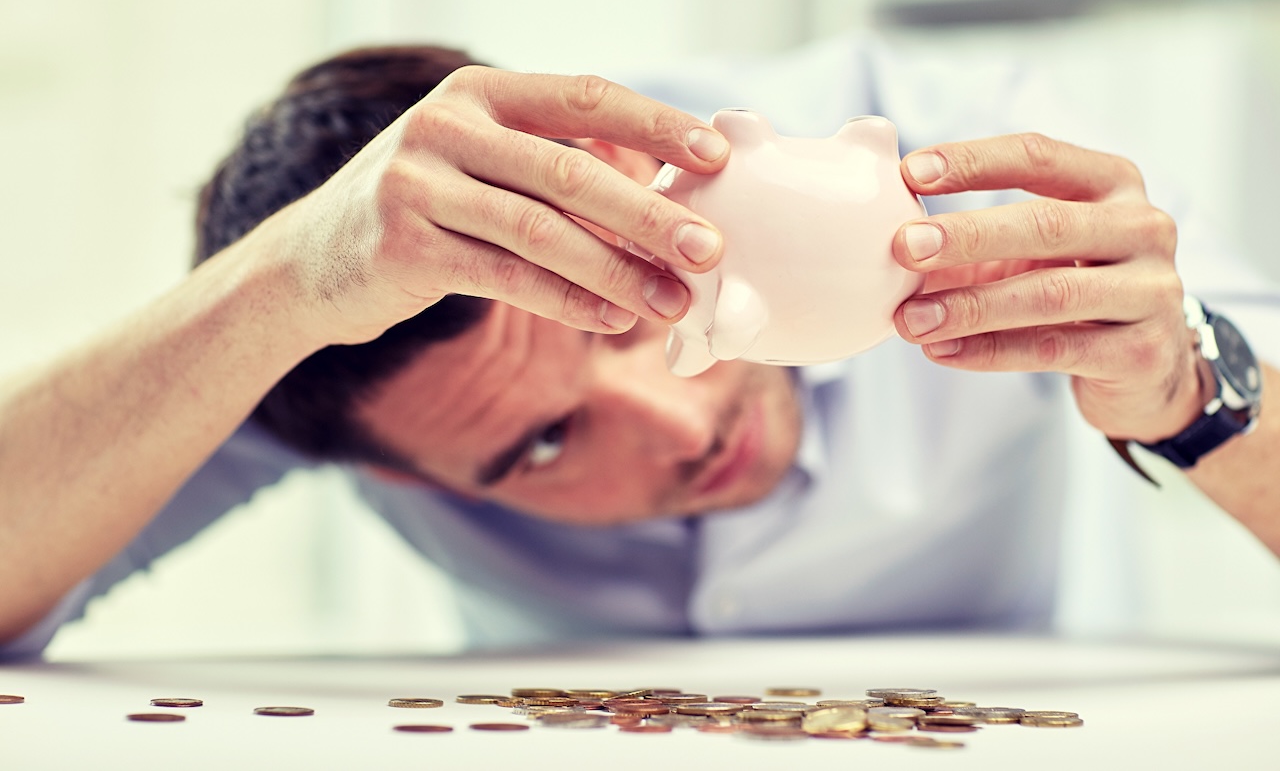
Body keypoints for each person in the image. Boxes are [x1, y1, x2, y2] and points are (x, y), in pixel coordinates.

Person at [2, 38, 1278, 656]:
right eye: (541, 442)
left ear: (636, 177)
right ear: (392, 477)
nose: (680, 424)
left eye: (644, 302)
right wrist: (277, 283)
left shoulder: (970, 161)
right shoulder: (325, 361)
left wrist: (1185, 389)